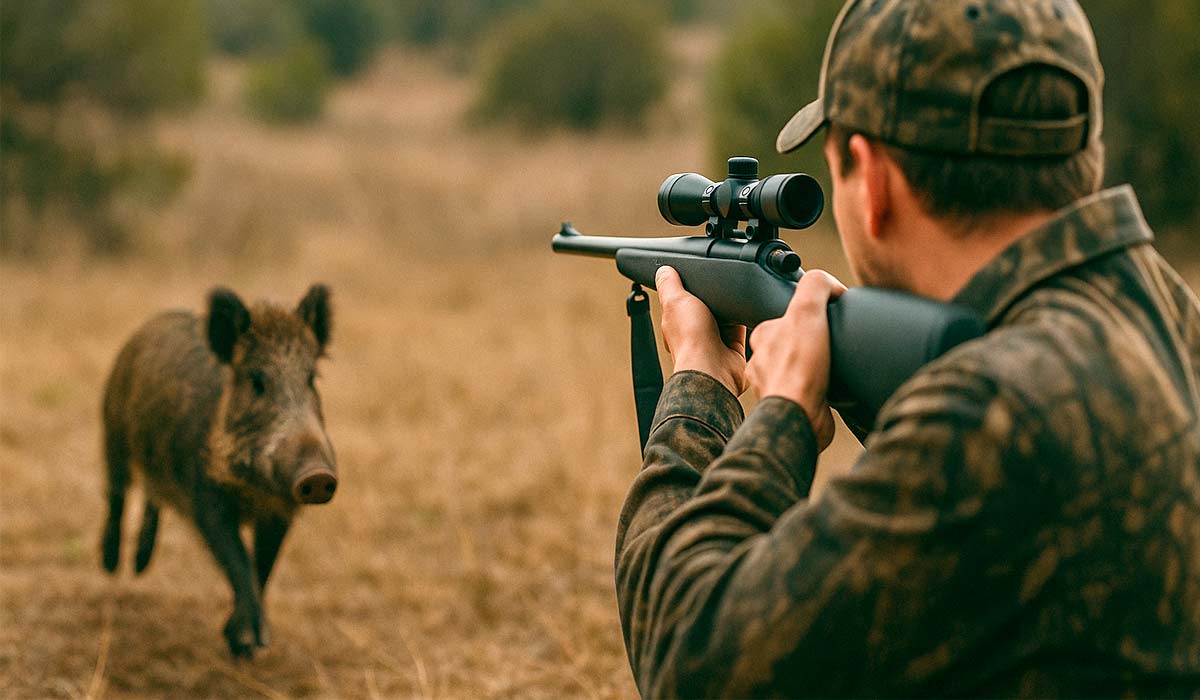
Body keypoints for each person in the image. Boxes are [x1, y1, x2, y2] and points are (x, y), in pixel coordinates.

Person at [614, 0, 1200, 696]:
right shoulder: (1163, 309)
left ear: (874, 180)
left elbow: (691, 663)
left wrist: (730, 399)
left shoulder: (990, 412)